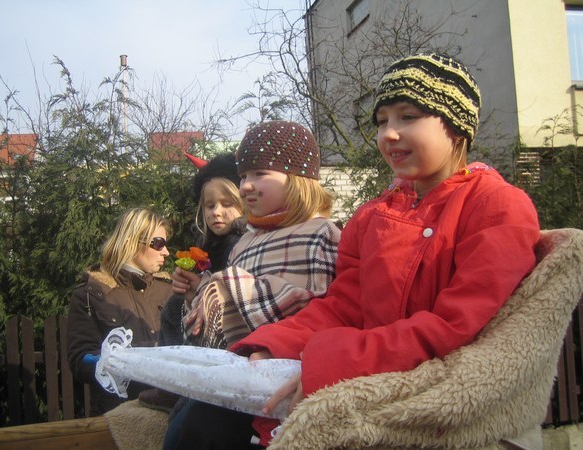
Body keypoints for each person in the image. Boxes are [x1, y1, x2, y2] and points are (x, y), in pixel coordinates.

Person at [230, 52, 541, 448]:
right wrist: (271, 344)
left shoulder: (497, 207)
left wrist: (332, 363)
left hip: (451, 418)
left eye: (408, 117)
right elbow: (344, 307)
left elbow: (456, 327)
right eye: (381, 121)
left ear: (456, 127)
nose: (389, 134)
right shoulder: (371, 216)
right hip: (374, 389)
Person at [163, 120, 342, 450]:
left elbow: (320, 305)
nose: (246, 185)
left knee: (208, 431)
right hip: (236, 370)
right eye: (243, 175)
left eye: (260, 173)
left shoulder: (322, 234)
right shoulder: (244, 242)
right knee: (183, 433)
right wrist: (200, 297)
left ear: (299, 179)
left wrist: (228, 285)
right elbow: (225, 315)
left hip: (286, 377)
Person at [139, 151, 246, 412]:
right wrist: (186, 285)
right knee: (174, 307)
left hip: (231, 327)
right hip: (205, 314)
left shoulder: (240, 241)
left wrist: (201, 288)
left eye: (227, 204)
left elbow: (234, 286)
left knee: (174, 310)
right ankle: (173, 384)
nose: (217, 212)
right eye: (210, 206)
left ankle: (174, 386)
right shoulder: (211, 243)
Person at [67, 207, 173, 416]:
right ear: (131, 242)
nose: (166, 252)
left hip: (167, 412)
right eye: (158, 243)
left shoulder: (168, 290)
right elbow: (80, 358)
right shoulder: (92, 293)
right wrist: (128, 363)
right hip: (118, 414)